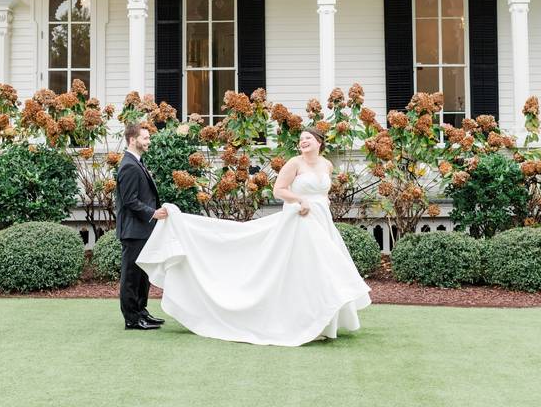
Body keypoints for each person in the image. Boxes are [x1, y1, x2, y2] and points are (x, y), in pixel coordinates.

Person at [136, 127, 371, 347]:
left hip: (322, 221)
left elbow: (324, 193)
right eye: (300, 140)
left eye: (308, 138)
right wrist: (300, 201)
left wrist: (323, 206)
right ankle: (303, 321)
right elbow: (279, 190)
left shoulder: (327, 165)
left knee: (324, 270)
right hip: (301, 222)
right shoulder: (294, 163)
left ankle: (328, 322)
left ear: (319, 142)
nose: (303, 142)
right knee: (303, 270)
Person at [115, 123, 168, 331]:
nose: (148, 142)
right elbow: (130, 200)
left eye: (148, 138)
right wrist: (152, 213)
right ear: (132, 140)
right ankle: (132, 318)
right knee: (131, 276)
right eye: (145, 138)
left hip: (143, 229)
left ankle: (141, 311)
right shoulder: (128, 165)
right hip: (133, 231)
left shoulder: (137, 162)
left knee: (142, 275)